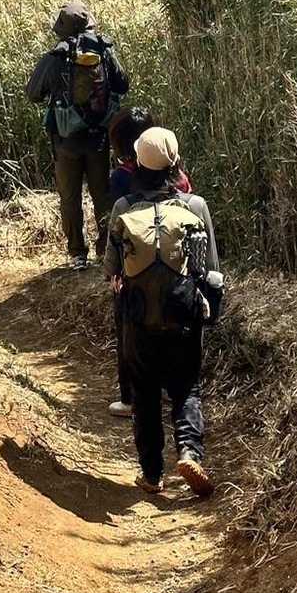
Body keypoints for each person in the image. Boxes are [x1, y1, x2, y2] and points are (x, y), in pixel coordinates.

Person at [105, 127, 222, 498]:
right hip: (183, 314)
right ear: (175, 163)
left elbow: (111, 269)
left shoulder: (123, 208)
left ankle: (152, 474)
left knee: (145, 393)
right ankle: (189, 453)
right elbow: (212, 270)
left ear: (137, 163)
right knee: (186, 388)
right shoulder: (195, 206)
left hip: (138, 318)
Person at [26, 0, 129, 271]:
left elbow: (33, 93)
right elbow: (123, 84)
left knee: (70, 197)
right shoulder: (103, 50)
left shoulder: (56, 56)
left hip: (65, 139)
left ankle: (77, 254)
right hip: (98, 136)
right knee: (102, 194)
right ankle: (105, 250)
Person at [105, 107, 193, 419]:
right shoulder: (182, 182)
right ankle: (171, 390)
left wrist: (112, 273)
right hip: (176, 274)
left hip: (134, 275)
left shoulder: (123, 180)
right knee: (173, 331)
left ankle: (130, 398)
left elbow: (115, 234)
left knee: (130, 335)